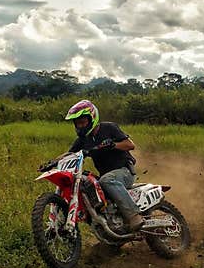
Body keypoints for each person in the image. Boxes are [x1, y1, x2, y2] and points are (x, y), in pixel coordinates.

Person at [54, 99, 144, 232]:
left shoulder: (109, 128)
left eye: (83, 122)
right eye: (77, 123)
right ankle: (107, 228)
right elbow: (69, 154)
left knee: (107, 180)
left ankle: (134, 215)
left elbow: (130, 145)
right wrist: (52, 163)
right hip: (105, 176)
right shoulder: (83, 140)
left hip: (124, 171)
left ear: (92, 118)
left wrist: (113, 145)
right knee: (88, 186)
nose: (80, 126)